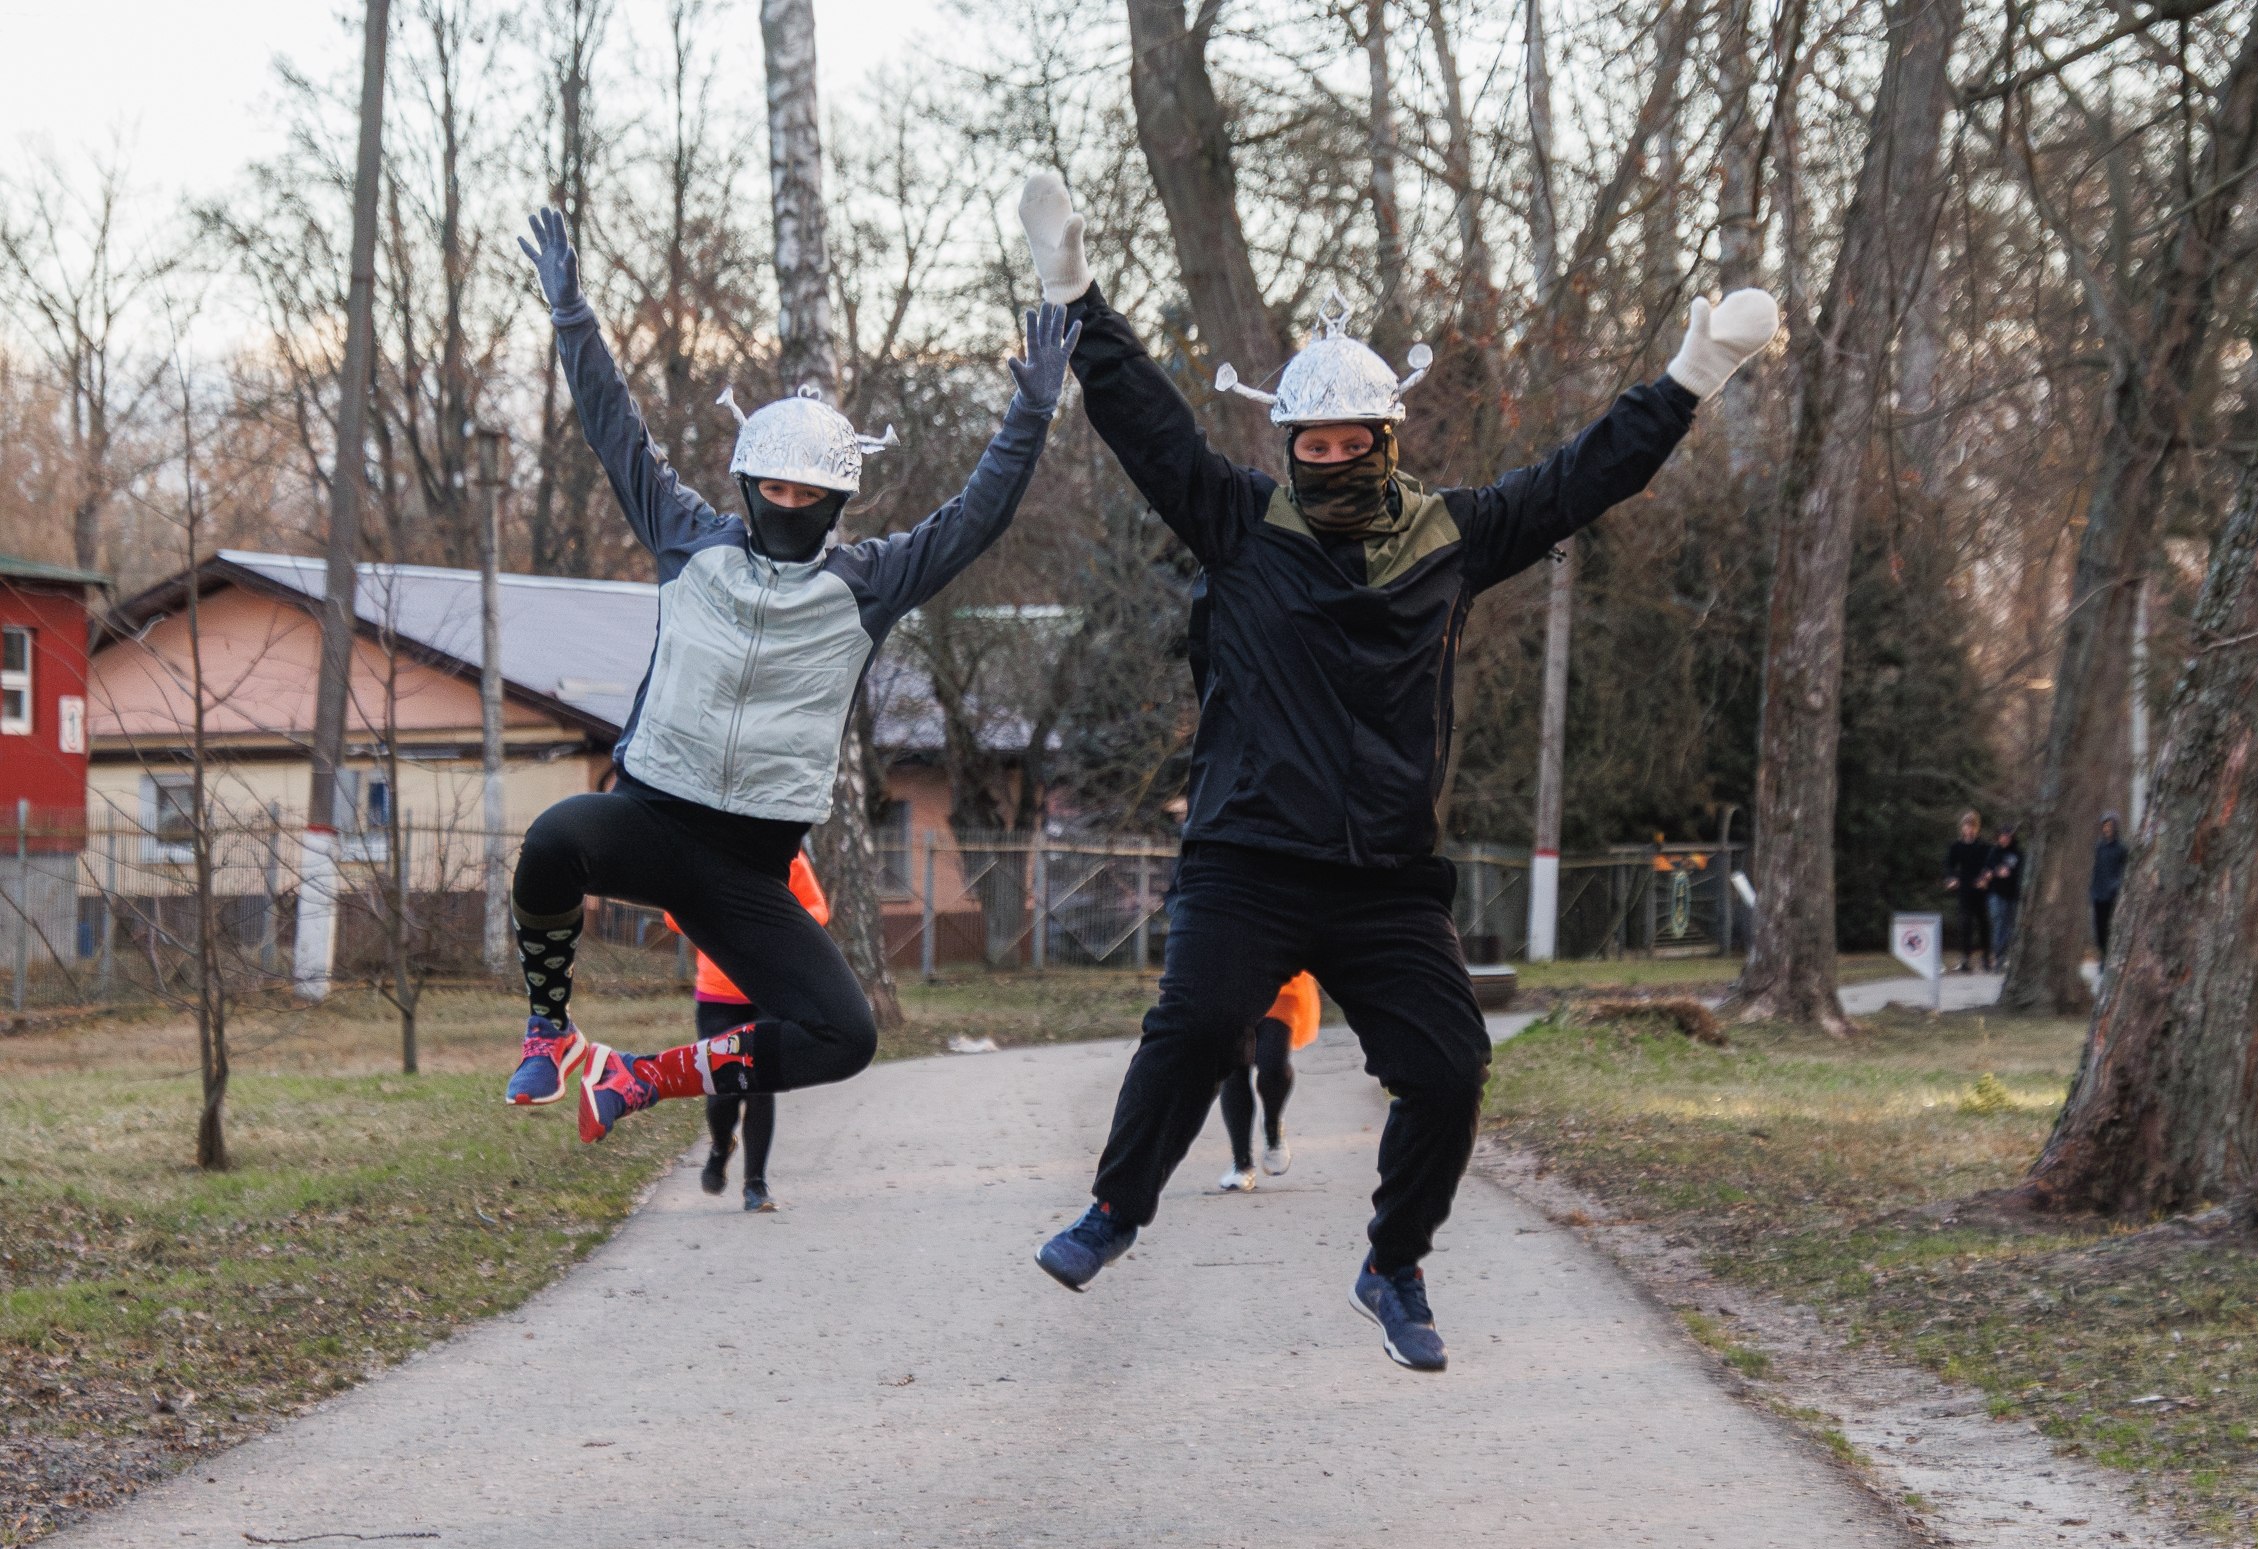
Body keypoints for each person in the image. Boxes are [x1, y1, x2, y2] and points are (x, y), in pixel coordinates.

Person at [1012, 169, 1778, 1371]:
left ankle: (1393, 1262)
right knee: (1198, 1022)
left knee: (1450, 1065)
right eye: (1304, 442)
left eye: (1344, 442)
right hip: (1249, 858)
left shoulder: (1452, 541)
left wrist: (1692, 378)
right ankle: (1116, 1210)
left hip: (1382, 878)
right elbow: (1145, 421)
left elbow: (1585, 474)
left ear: (1383, 440)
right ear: (1288, 444)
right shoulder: (1236, 524)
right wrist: (1076, 298)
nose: (1323, 459)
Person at [499, 208, 1074, 1141]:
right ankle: (549, 1029)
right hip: (649, 817)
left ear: (839, 500)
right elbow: (617, 435)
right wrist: (572, 319)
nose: (790, 505)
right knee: (554, 837)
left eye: (811, 495)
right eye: (775, 488)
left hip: (747, 866)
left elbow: (973, 520)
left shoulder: (867, 585)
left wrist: (1031, 412)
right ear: (746, 484)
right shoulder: (687, 540)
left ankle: (644, 1078)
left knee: (844, 1034)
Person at [664, 850, 830, 1212]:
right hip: (718, 993)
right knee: (722, 1088)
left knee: (760, 1084)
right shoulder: (706, 851)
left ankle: (756, 1184)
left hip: (769, 990)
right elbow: (672, 913)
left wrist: (785, 926)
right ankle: (722, 1145)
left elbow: (818, 908)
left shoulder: (786, 854)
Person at [1215, 971, 1321, 1192]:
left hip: (1281, 980)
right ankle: (1241, 1164)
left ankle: (1272, 1124)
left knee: (1273, 1065)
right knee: (1234, 1066)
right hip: (1229, 982)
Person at [1943, 811, 1994, 974]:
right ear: (1962, 828)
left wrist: (1986, 879)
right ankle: (1965, 958)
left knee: (1983, 924)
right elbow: (1949, 865)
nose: (1970, 830)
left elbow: (1990, 865)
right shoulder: (1956, 847)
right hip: (1964, 889)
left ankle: (1986, 958)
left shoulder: (1984, 847)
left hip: (1980, 889)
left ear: (1977, 828)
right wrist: (1951, 878)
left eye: (1973, 827)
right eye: (1967, 827)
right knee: (1965, 924)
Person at [2091, 812, 2128, 959]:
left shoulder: (2121, 848)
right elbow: (2097, 869)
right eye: (2105, 826)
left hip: (2113, 895)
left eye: (2110, 826)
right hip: (2098, 894)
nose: (2107, 829)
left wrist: (2116, 885)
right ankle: (2103, 957)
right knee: (2099, 931)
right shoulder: (2099, 847)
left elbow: (2124, 870)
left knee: (2112, 928)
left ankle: (2112, 957)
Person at [1986, 826, 2023, 972]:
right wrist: (1997, 872)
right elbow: (1987, 869)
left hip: (2012, 894)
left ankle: (2006, 956)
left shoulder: (2018, 854)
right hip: (1996, 893)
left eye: (2007, 836)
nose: (2004, 838)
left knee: (2010, 926)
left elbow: (2021, 872)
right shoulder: (1994, 852)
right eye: (2002, 836)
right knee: (1998, 921)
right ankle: (1998, 955)